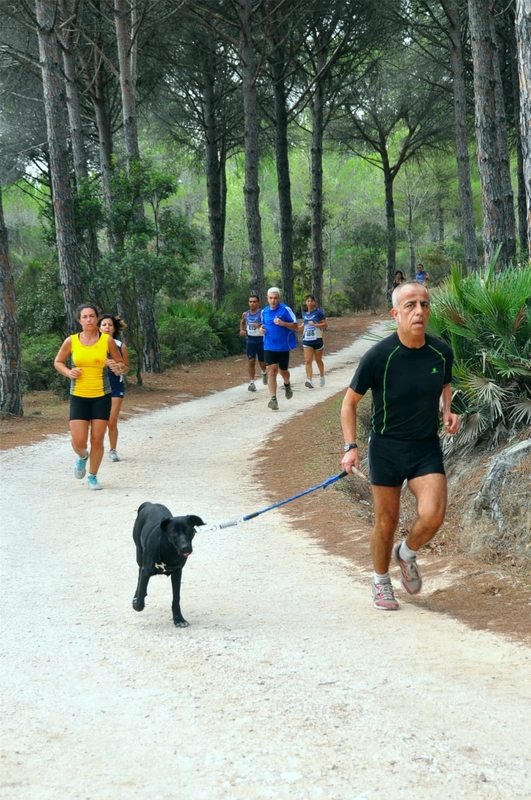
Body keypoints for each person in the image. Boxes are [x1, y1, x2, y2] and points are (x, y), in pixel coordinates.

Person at [340, 281, 460, 610]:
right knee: (386, 521)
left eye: (424, 304)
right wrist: (350, 446)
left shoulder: (441, 352)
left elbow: (445, 384)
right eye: (410, 305)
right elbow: (349, 404)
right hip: (386, 448)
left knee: (433, 516)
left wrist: (448, 410)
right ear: (396, 314)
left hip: (424, 447)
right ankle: (381, 581)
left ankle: (406, 553)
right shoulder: (379, 356)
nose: (419, 311)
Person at [54, 303, 124, 490]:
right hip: (78, 396)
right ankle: (83, 457)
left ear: (97, 318)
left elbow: (121, 365)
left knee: (97, 439)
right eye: (84, 317)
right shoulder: (71, 341)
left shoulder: (106, 341)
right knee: (78, 441)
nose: (89, 320)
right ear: (79, 320)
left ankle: (92, 476)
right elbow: (58, 362)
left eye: (92, 316)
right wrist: (68, 372)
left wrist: (116, 366)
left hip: (102, 395)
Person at [259, 287, 298, 411]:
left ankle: (287, 384)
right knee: (271, 371)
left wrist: (283, 323)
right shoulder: (264, 311)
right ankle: (273, 399)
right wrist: (261, 330)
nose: (273, 300)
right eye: (270, 298)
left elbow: (296, 326)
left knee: (283, 371)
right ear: (267, 298)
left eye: (275, 298)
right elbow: (262, 325)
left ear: (279, 298)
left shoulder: (285, 310)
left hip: (283, 347)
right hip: (269, 346)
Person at [98, 314, 130, 462]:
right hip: (97, 387)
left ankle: (112, 450)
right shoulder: (92, 345)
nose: (107, 327)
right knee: (98, 421)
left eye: (110, 325)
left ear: (114, 328)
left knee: (111, 421)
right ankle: (96, 448)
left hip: (115, 386)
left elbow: (127, 367)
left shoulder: (120, 345)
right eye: (104, 325)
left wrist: (119, 368)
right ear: (99, 328)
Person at [239, 294, 267, 392]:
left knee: (262, 362)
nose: (252, 304)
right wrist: (242, 330)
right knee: (251, 361)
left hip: (260, 340)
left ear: (258, 303)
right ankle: (252, 383)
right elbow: (242, 322)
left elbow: (267, 324)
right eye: (250, 302)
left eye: (254, 302)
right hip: (250, 340)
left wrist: (259, 325)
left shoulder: (261, 313)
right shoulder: (245, 314)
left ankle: (264, 372)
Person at [299, 294, 327, 388]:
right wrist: (299, 327)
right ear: (305, 302)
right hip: (307, 339)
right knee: (308, 360)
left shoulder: (318, 312)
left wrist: (315, 325)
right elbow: (305, 322)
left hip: (318, 339)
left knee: (318, 360)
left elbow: (325, 324)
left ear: (314, 302)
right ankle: (309, 380)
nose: (309, 303)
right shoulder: (304, 313)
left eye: (311, 301)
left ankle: (322, 376)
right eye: (308, 301)